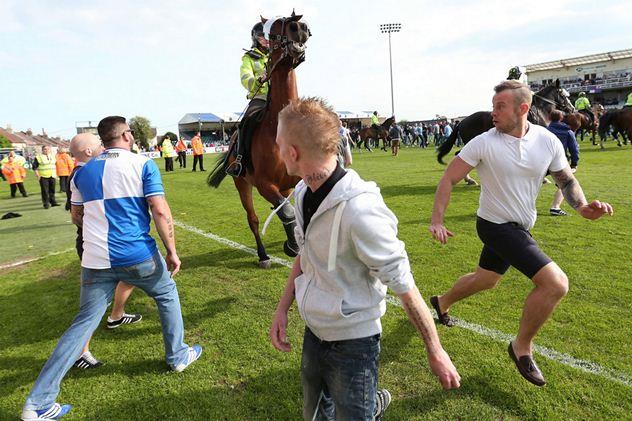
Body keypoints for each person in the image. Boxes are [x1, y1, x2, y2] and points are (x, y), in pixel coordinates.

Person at [269, 97, 461, 421]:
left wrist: (435, 349)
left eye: (278, 144)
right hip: (314, 332)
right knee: (315, 415)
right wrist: (282, 308)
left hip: (354, 343)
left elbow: (404, 285)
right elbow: (305, 254)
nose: (276, 150)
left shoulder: (361, 211)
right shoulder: (302, 193)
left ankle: (371, 405)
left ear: (293, 152)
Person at [428, 80, 613, 387]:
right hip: (495, 225)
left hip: (522, 225)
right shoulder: (483, 142)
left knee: (486, 279)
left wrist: (582, 207)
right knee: (555, 283)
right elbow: (449, 178)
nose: (493, 112)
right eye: (493, 105)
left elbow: (566, 180)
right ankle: (521, 347)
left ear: (523, 108)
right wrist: (437, 219)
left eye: (500, 106)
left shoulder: (547, 140)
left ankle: (442, 302)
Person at [21, 116, 202, 421]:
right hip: (137, 255)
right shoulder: (142, 164)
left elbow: (76, 216)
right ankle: (178, 355)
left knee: (83, 323)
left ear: (103, 140)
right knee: (167, 294)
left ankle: (38, 402)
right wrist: (172, 251)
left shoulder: (81, 173)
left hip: (95, 260)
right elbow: (159, 210)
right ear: (126, 135)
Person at [65, 133, 142, 370]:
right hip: (96, 244)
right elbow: (76, 216)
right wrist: (98, 230)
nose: (103, 147)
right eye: (99, 145)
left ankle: (116, 315)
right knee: (94, 304)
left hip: (104, 242)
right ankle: (80, 352)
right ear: (88, 151)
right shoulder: (81, 174)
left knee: (131, 277)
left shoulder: (88, 171)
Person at [226, 21, 270, 177]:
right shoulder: (249, 57)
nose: (265, 39)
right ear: (255, 38)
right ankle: (239, 160)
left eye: (267, 36)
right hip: (260, 97)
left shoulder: (278, 53)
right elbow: (245, 78)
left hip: (279, 96)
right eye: (261, 36)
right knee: (247, 122)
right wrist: (259, 79)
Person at [547, 110, 580, 216]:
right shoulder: (568, 131)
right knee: (564, 184)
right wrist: (574, 163)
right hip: (559, 162)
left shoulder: (544, 130)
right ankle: (555, 207)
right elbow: (574, 149)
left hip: (543, 161)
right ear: (561, 118)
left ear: (549, 118)